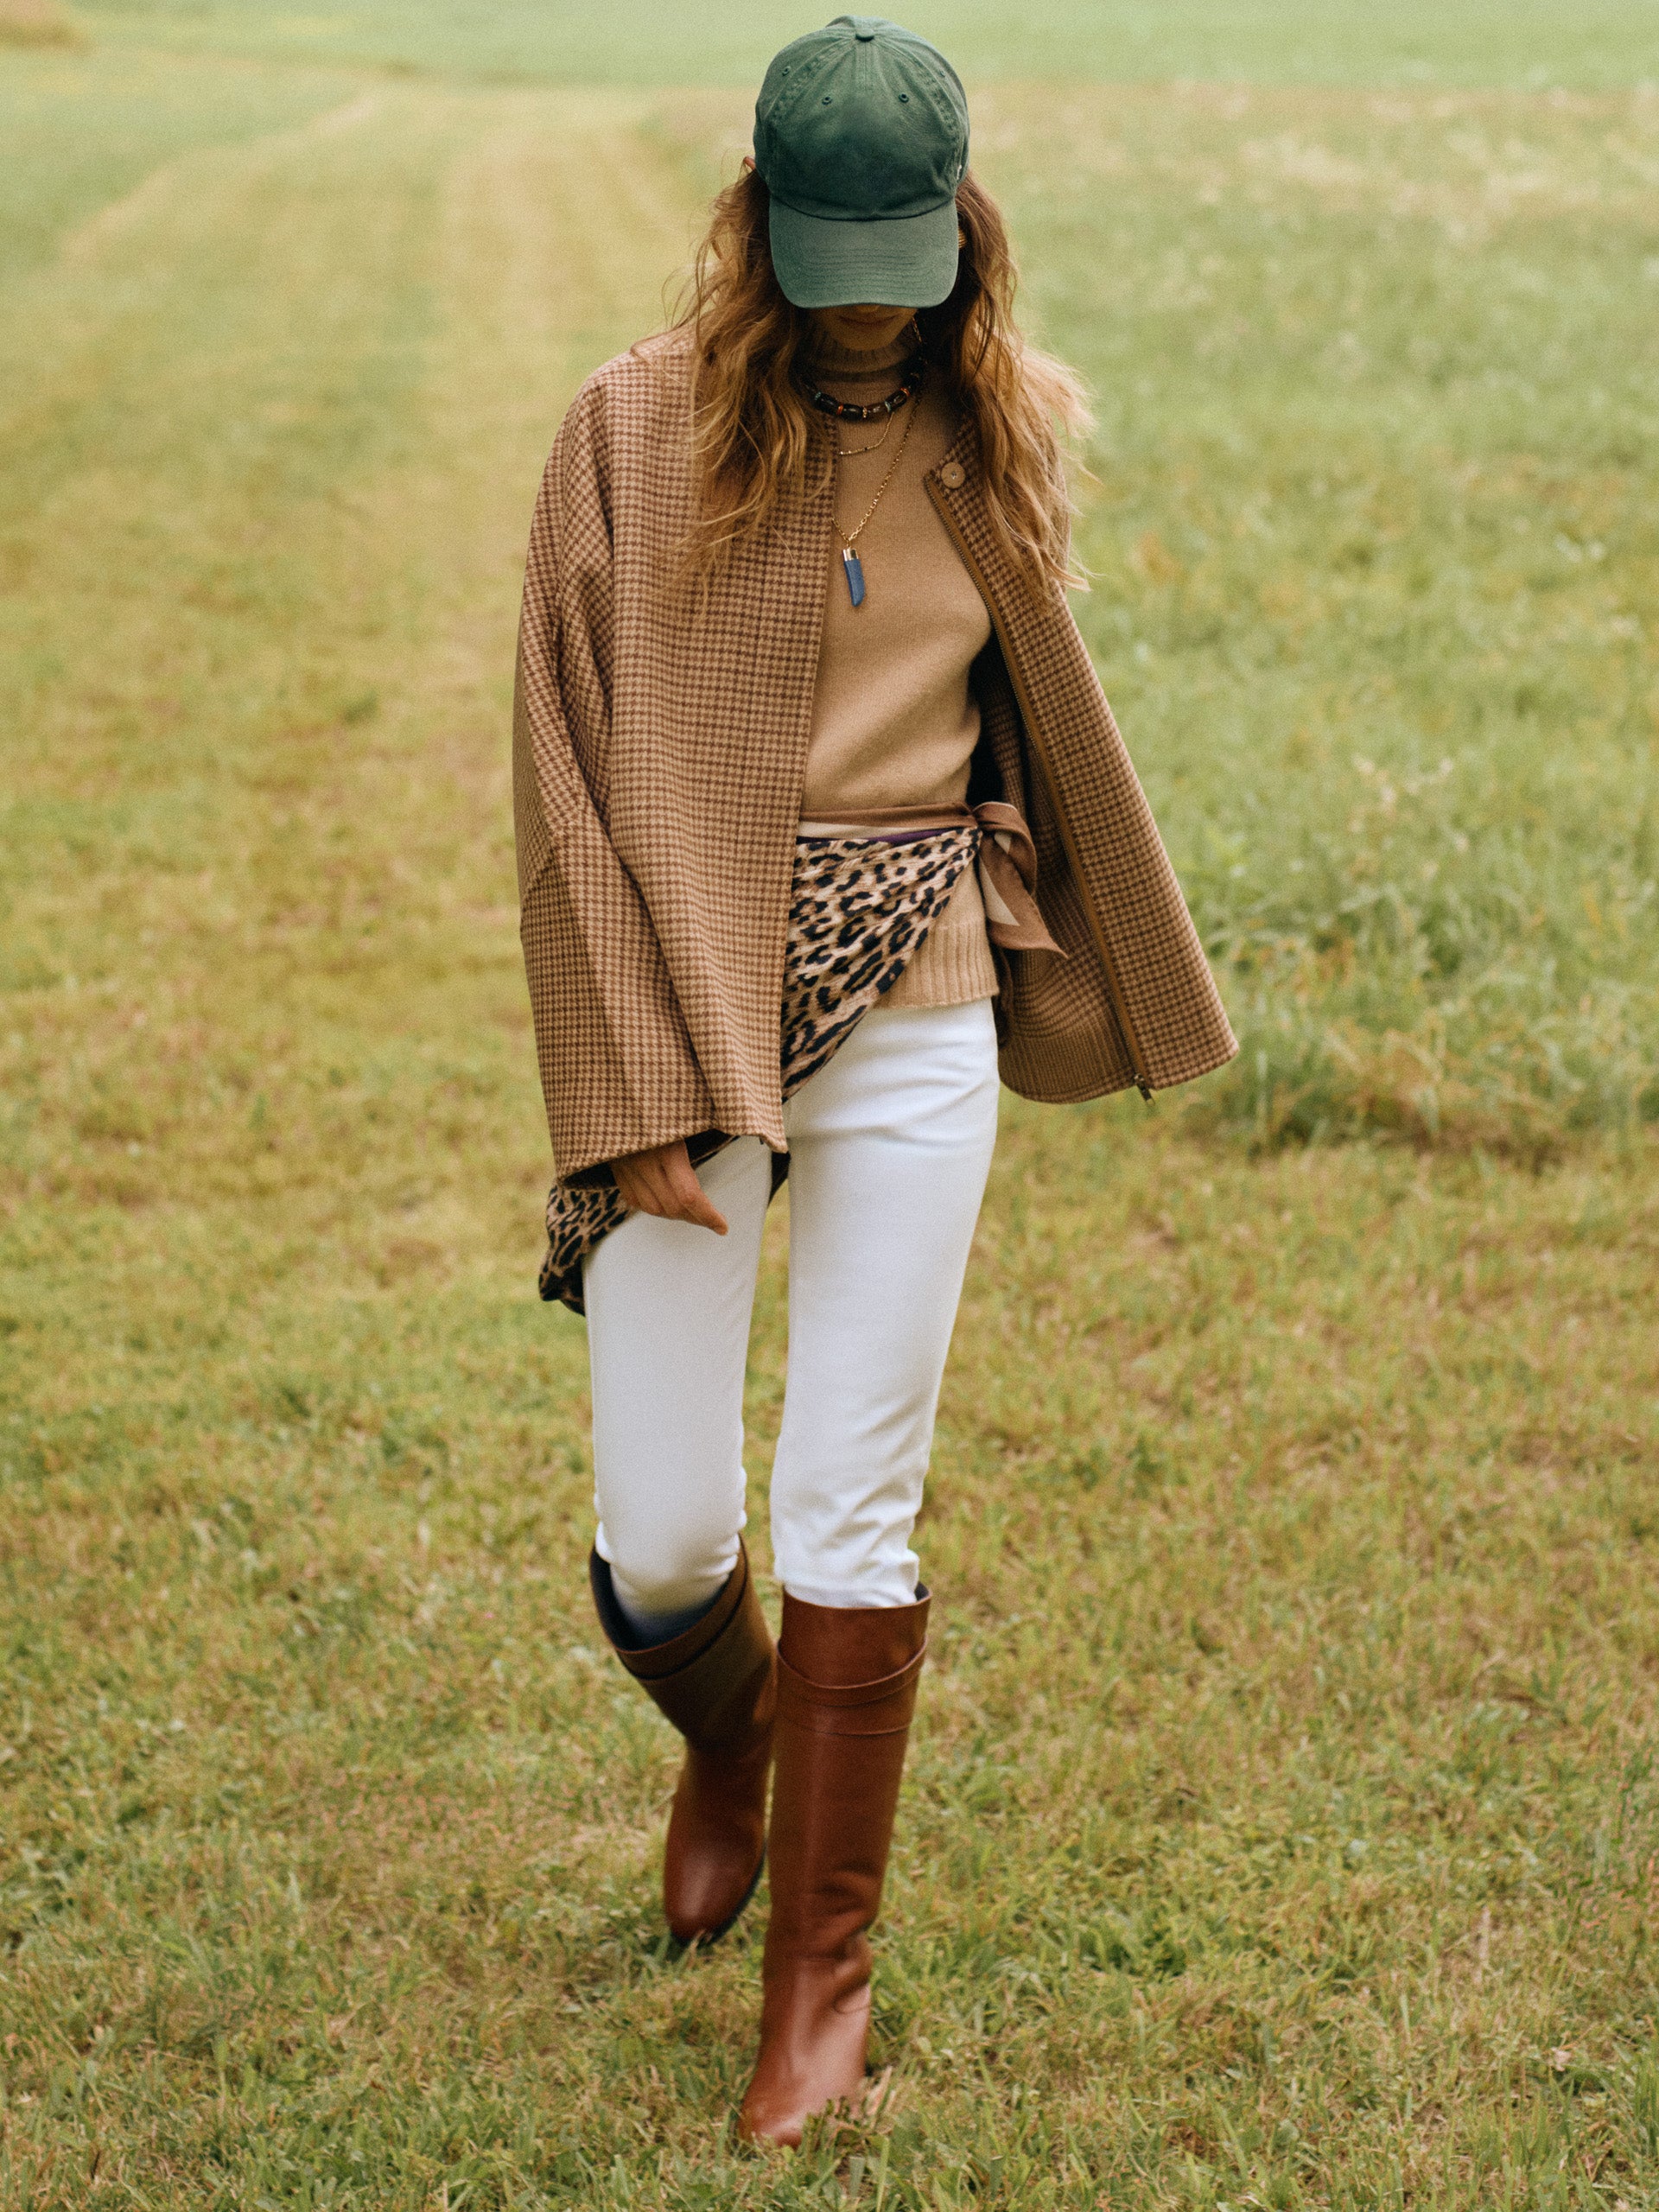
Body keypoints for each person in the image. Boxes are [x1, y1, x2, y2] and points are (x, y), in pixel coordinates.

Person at [512, 12, 1236, 2149]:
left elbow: (1034, 713)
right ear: (755, 223)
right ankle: (727, 1734)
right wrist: (626, 1079)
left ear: (958, 234)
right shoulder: (627, 430)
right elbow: (559, 779)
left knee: (853, 1498)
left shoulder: (994, 426)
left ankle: (819, 1991)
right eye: (826, 261)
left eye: (897, 265)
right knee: (664, 1528)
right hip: (686, 1000)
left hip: (921, 991)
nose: (862, 306)